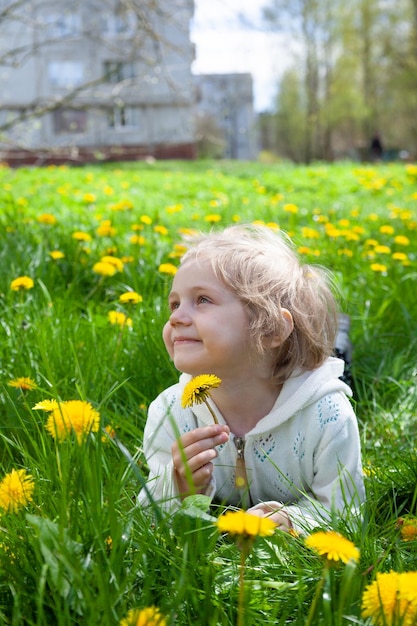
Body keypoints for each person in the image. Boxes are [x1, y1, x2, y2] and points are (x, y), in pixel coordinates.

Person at [139, 224, 365, 533]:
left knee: (334, 356)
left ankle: (337, 335)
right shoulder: (171, 411)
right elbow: (148, 515)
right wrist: (178, 486)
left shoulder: (327, 415)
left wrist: (294, 521)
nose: (175, 317)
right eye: (175, 303)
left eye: (203, 300)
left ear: (271, 330)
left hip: (305, 381)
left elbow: (345, 511)